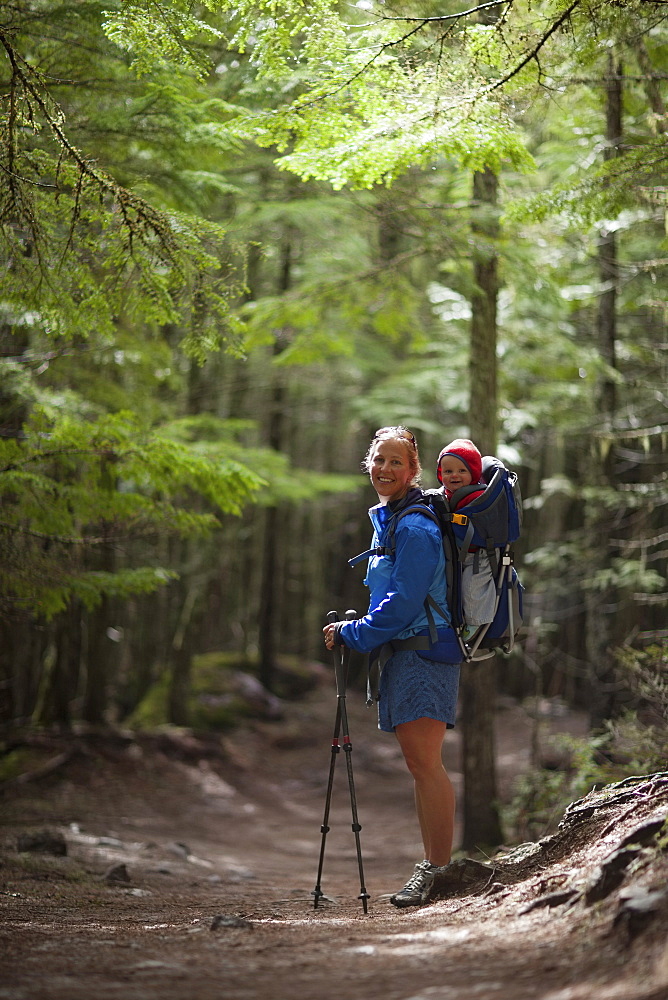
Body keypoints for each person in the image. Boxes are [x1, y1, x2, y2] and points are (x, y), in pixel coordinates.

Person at [323, 426, 461, 908]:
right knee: (420, 764)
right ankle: (433, 866)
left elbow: (403, 603)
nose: (384, 469)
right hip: (408, 652)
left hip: (425, 651)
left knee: (426, 765)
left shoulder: (416, 526)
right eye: (379, 460)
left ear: (412, 471)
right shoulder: (392, 519)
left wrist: (354, 632)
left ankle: (437, 870)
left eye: (396, 462)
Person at [437, 438, 496, 636]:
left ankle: (474, 623)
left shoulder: (477, 496)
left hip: (480, 554)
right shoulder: (444, 494)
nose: (454, 476)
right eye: (448, 471)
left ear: (473, 473)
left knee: (472, 589)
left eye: (462, 471)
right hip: (458, 553)